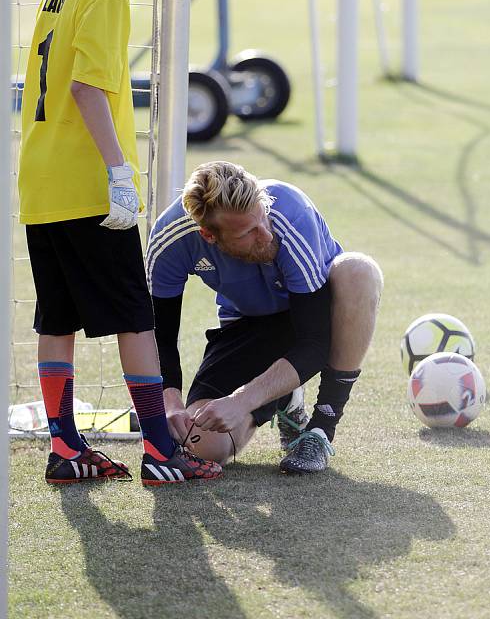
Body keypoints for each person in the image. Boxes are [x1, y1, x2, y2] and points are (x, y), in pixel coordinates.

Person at [18, 0, 222, 486]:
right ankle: (161, 450)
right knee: (137, 317)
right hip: (87, 187)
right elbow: (86, 88)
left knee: (56, 318)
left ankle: (64, 448)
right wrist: (118, 173)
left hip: (40, 184)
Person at [147, 160, 383, 474]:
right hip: (248, 324)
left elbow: (314, 342)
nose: (266, 235)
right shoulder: (170, 239)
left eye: (263, 218)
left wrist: (242, 400)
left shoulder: (291, 213)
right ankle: (285, 398)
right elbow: (158, 337)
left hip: (313, 313)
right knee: (203, 443)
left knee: (358, 270)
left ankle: (321, 427)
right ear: (208, 235)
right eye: (249, 231)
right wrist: (171, 404)